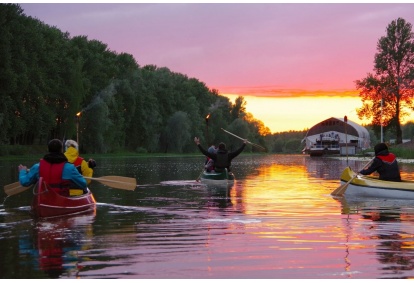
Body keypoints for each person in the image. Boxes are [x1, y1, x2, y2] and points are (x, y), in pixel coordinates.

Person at [18, 139, 87, 196]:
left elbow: (25, 182)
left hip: (44, 198)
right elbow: (83, 184)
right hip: (61, 200)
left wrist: (22, 171)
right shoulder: (69, 168)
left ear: (48, 149)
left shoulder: (37, 167)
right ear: (61, 150)